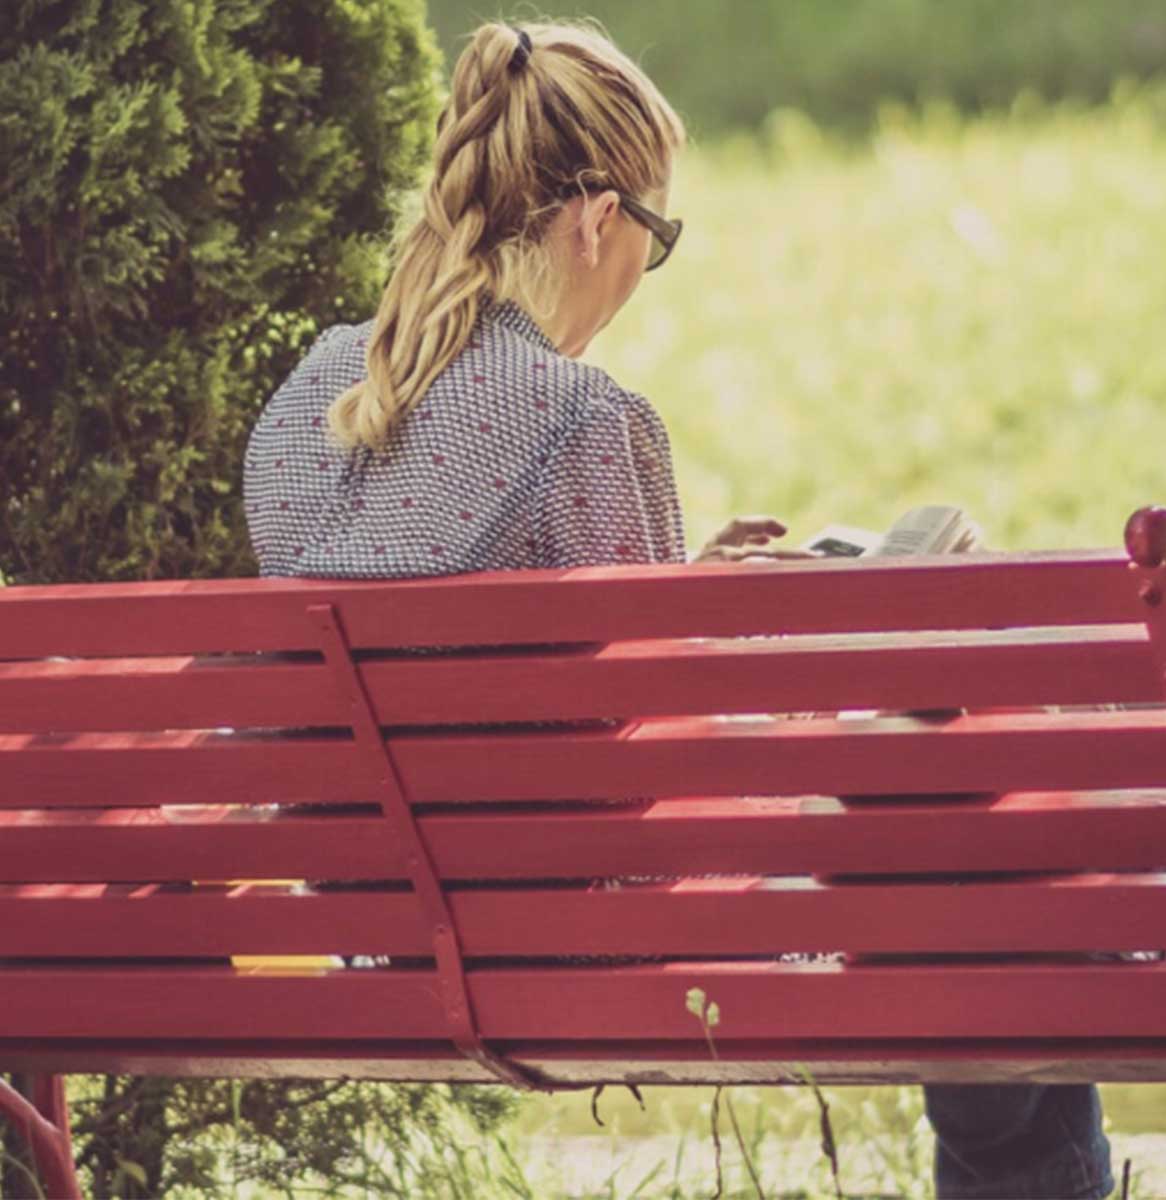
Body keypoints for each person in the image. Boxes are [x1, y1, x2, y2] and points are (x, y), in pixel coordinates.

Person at [242, 20, 1112, 1199]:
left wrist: (683, 595)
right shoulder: (578, 418)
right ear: (601, 217)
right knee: (971, 871)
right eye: (656, 238)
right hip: (588, 950)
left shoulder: (309, 397)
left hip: (388, 927)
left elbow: (454, 630)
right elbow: (662, 777)